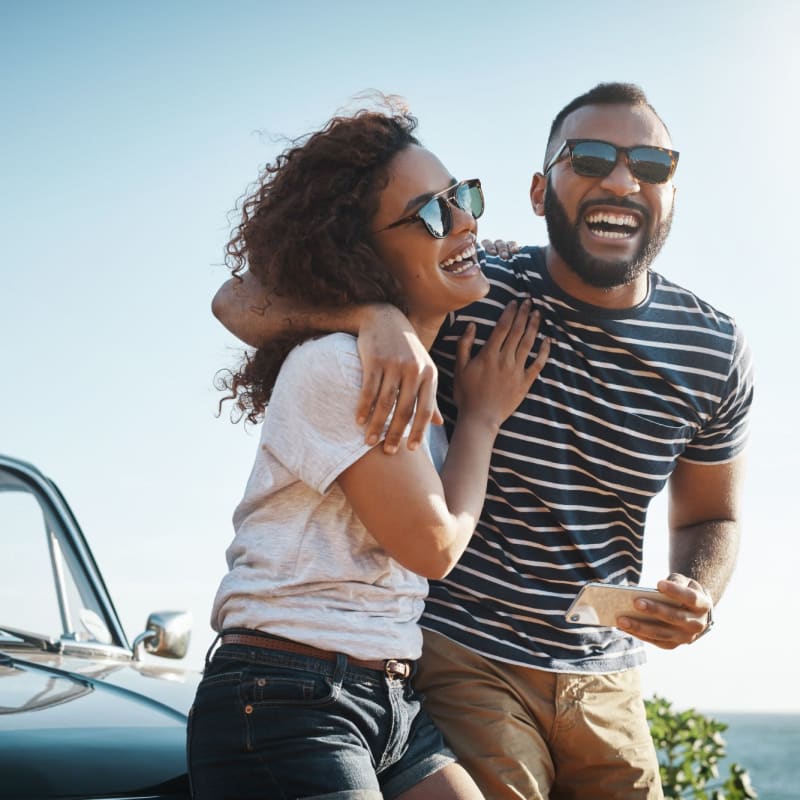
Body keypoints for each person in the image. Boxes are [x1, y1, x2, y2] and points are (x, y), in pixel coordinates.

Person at [212, 83, 754, 800]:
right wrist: (372, 314)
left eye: (651, 165)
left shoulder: (713, 348)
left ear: (674, 192)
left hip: (607, 675)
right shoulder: (469, 284)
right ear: (540, 190)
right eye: (589, 157)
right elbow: (240, 299)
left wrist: (698, 591)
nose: (621, 180)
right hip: (463, 656)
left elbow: (712, 515)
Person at [189, 101, 550, 800]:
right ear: (362, 251)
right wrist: (480, 419)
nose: (466, 220)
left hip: (385, 698)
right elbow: (433, 547)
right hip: (286, 699)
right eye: (434, 214)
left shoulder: (406, 363)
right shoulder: (338, 366)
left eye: (464, 197)